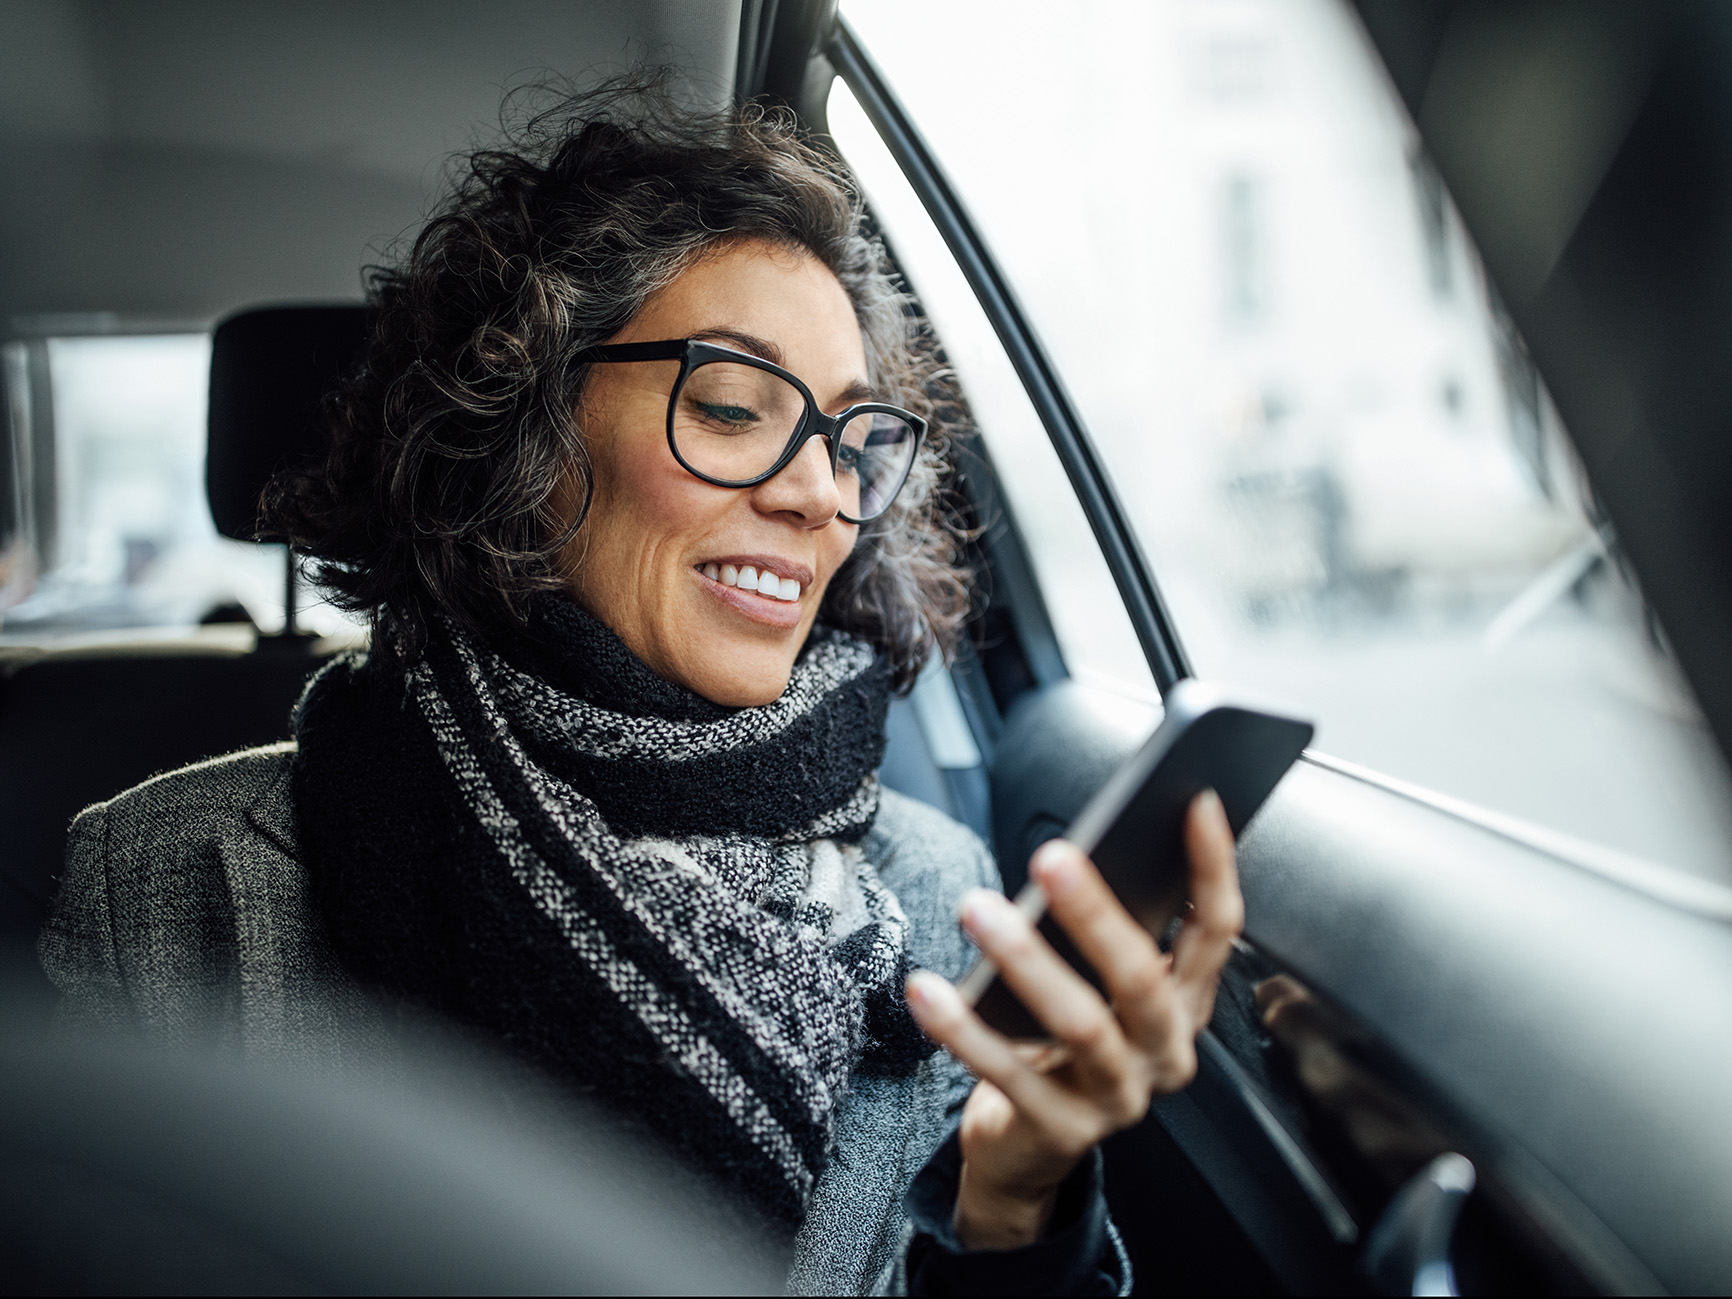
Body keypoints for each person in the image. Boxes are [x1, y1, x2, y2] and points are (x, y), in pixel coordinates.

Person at [39, 84, 1243, 1295]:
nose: (819, 496)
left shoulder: (940, 896)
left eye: (848, 440)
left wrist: (1016, 1198)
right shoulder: (166, 875)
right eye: (733, 407)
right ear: (522, 430)